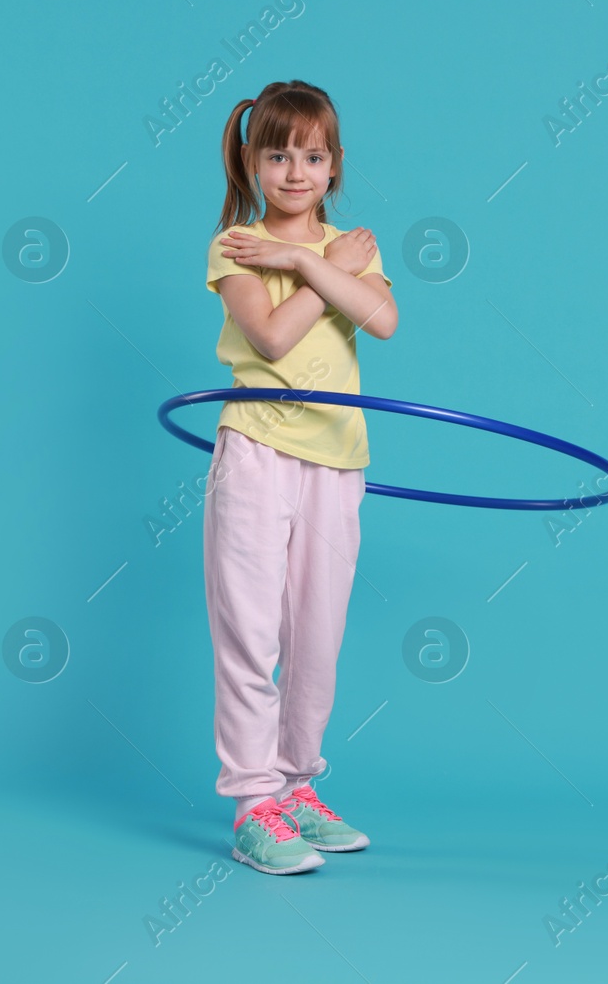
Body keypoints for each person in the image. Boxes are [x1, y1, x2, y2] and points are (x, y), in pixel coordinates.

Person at [202, 80, 397, 875]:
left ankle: (294, 787)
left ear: (334, 164)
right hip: (255, 452)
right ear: (252, 161)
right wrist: (304, 260)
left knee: (317, 635)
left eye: (311, 156)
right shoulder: (237, 246)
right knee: (252, 630)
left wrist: (311, 258)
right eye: (277, 154)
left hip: (336, 461)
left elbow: (383, 320)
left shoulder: (358, 245)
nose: (294, 172)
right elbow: (276, 341)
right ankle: (254, 803)